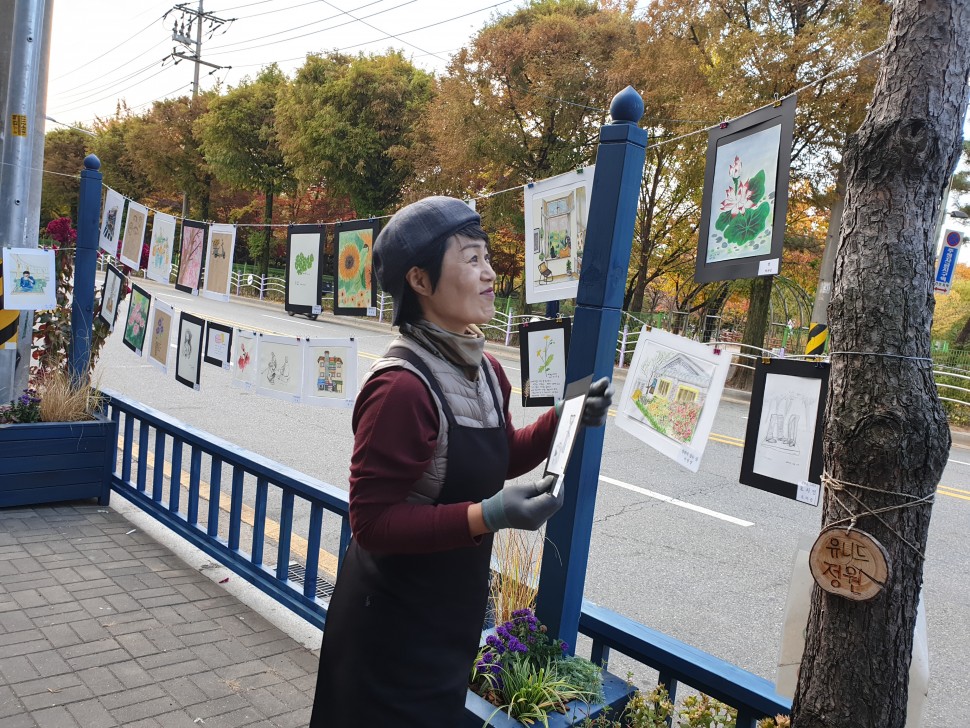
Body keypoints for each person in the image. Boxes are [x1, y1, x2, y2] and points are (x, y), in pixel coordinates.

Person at [309, 196, 613, 727]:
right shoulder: (400, 389)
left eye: (487, 258)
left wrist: (563, 419)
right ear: (420, 281)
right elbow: (372, 523)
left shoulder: (488, 370)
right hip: (388, 630)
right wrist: (488, 515)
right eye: (472, 259)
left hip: (448, 621)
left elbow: (498, 456)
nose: (490, 273)